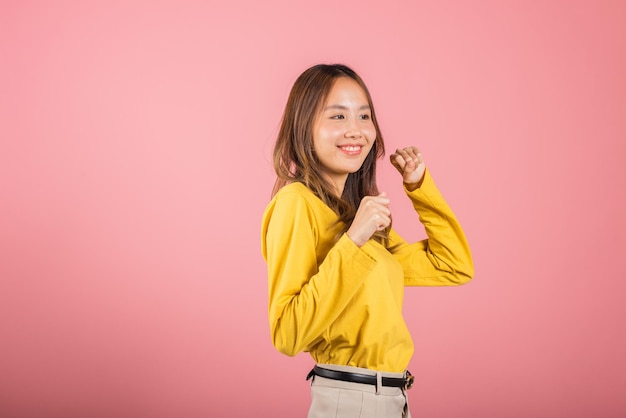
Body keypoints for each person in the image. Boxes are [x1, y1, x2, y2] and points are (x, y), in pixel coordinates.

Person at [261, 63, 474, 418]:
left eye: (364, 116)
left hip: (391, 398)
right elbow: (287, 332)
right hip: (351, 401)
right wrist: (352, 242)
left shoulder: (357, 219)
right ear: (304, 127)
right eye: (338, 117)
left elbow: (452, 265)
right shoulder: (295, 204)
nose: (356, 131)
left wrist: (420, 188)